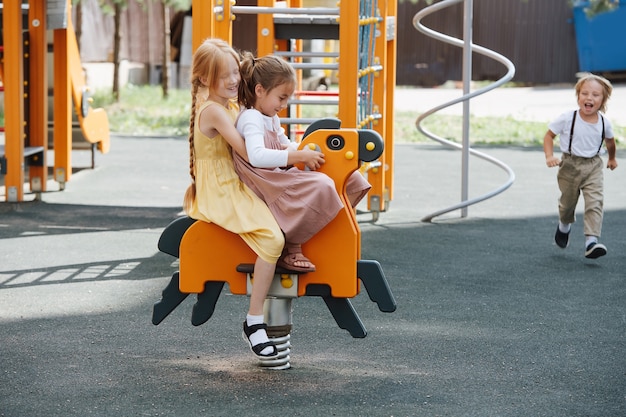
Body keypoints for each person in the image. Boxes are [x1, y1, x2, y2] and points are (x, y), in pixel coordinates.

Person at [182, 38, 284, 359]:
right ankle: (254, 322)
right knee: (272, 238)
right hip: (222, 190)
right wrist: (292, 154)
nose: (232, 81)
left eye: (235, 73)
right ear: (202, 79)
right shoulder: (213, 111)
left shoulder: (227, 105)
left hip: (235, 180)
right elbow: (248, 152)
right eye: (222, 75)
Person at [233, 52, 371, 272]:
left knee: (352, 180)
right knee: (322, 184)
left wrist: (306, 150)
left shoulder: (270, 116)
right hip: (266, 183)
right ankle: (292, 246)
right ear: (259, 90)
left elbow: (284, 143)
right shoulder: (251, 117)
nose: (285, 104)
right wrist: (298, 156)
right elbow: (257, 156)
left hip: (277, 174)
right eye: (281, 97)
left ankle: (329, 227)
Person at [543, 73, 617, 259]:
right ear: (578, 96)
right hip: (569, 164)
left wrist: (612, 158)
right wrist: (549, 155)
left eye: (595, 95)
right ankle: (564, 226)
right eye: (584, 93)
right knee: (568, 203)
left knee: (595, 202)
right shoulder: (568, 118)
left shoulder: (604, 122)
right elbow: (548, 136)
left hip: (593, 166)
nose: (589, 98)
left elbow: (610, 142)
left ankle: (591, 241)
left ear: (603, 100)